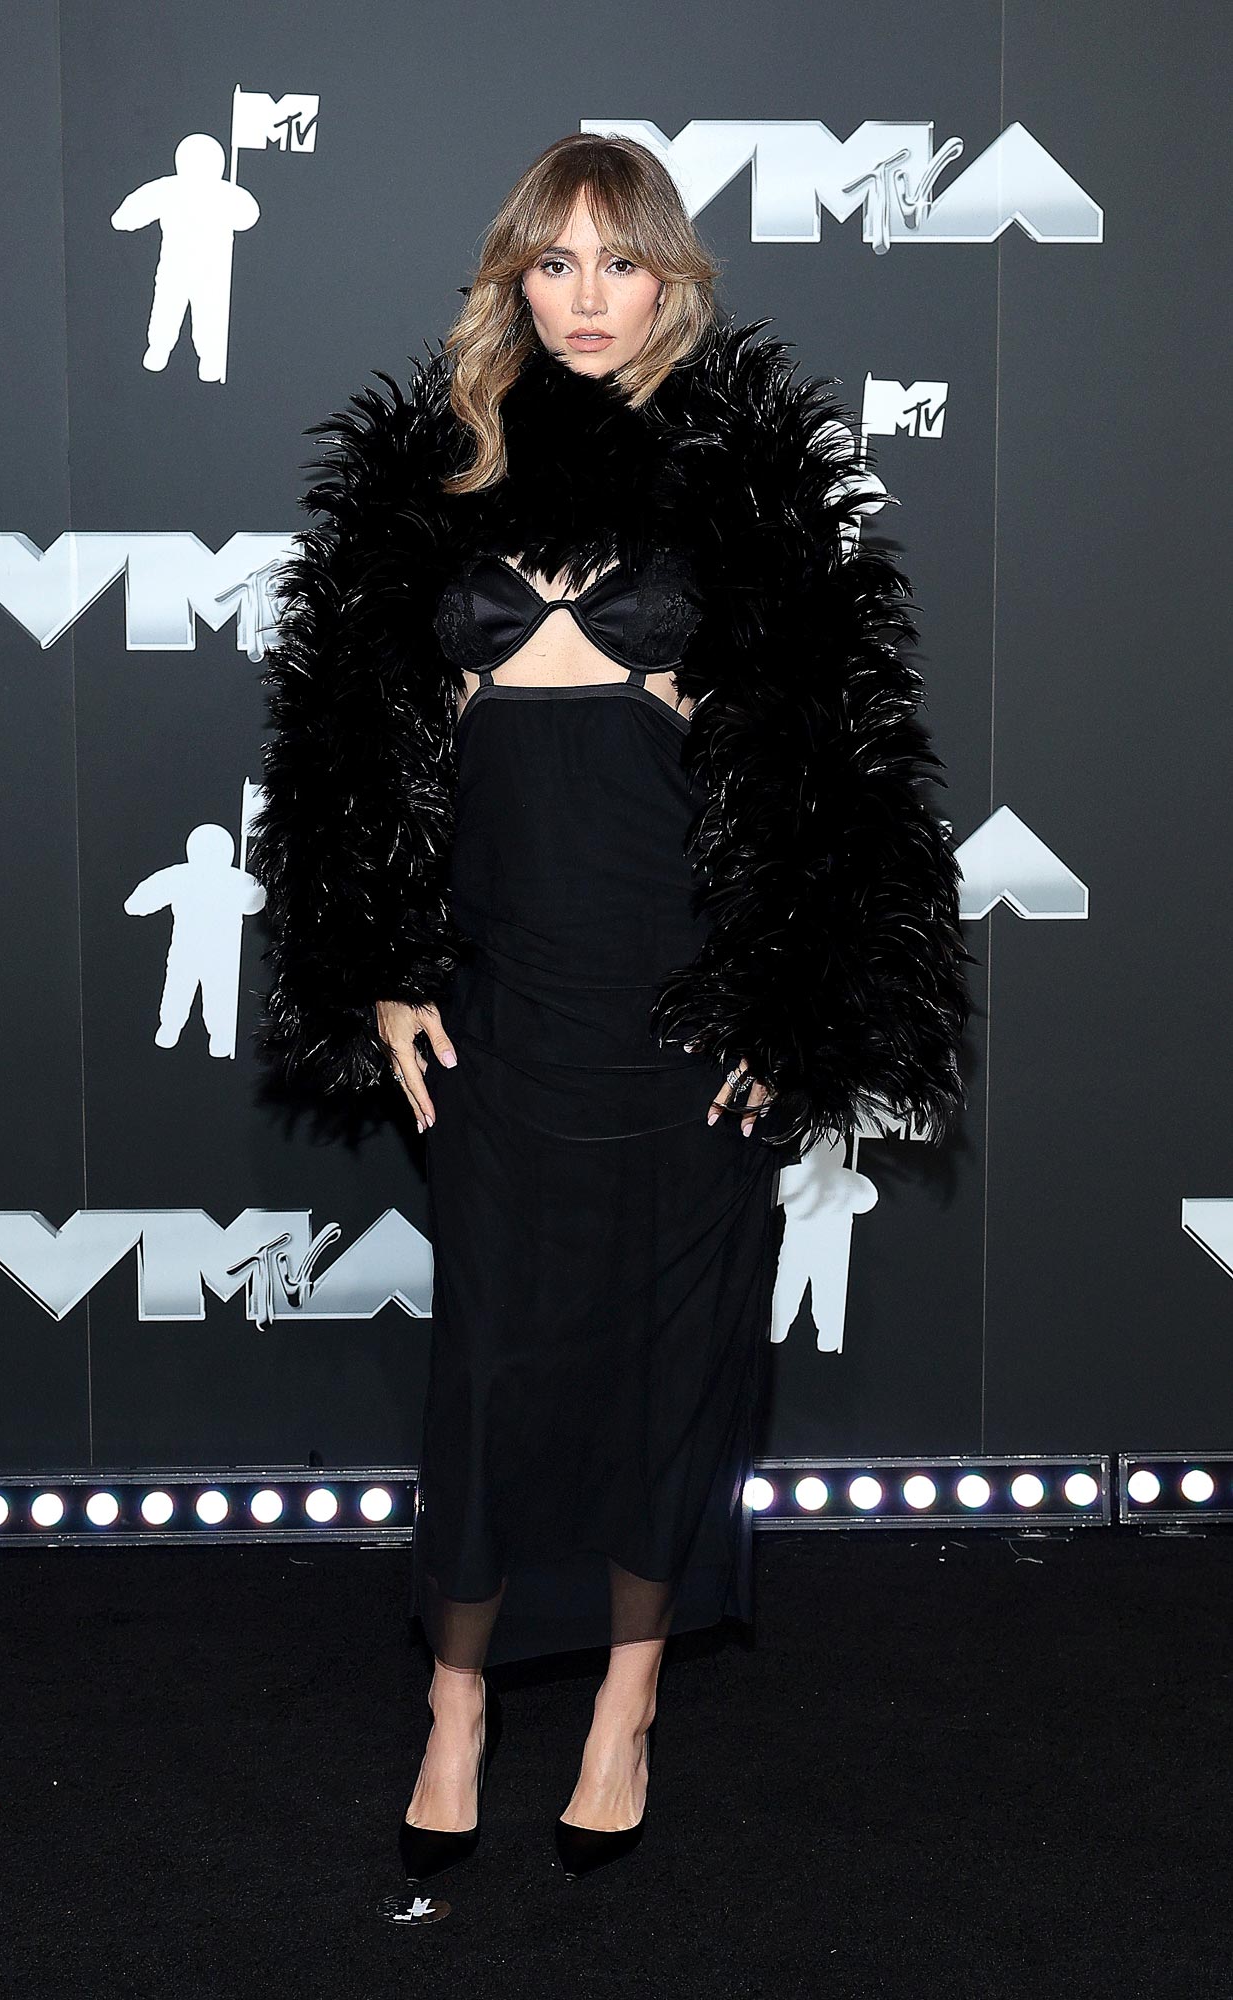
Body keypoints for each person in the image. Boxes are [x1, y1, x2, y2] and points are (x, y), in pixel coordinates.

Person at [248, 133, 973, 1887]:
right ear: (513, 278)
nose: (587, 296)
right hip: (500, 1006)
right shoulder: (430, 478)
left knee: (674, 1364)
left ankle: (624, 1707)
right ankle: (455, 1706)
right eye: (555, 262)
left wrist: (788, 1002)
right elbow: (346, 760)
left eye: (620, 262)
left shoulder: (753, 484)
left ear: (670, 281)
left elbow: (837, 783)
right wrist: (380, 969)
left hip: (683, 1006)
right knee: (490, 1368)